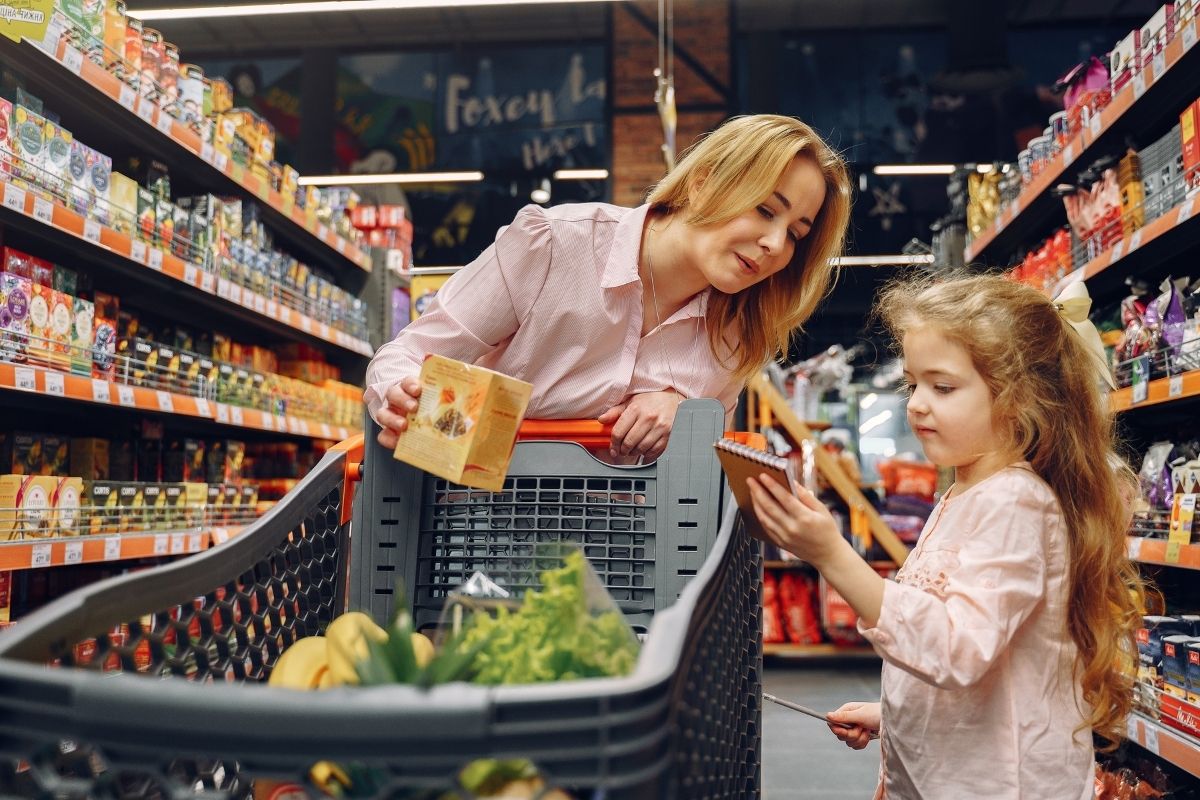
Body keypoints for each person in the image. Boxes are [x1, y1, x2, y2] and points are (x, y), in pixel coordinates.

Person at [747, 274, 1142, 799]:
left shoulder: (1016, 504)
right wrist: (895, 715)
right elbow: (978, 660)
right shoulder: (965, 493)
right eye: (912, 384)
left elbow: (956, 648)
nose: (915, 403)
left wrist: (831, 554)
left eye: (943, 387)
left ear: (1018, 399)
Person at [365, 114, 852, 461]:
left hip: (626, 563)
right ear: (703, 183)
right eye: (766, 209)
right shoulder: (555, 246)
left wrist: (686, 416)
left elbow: (699, 481)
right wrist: (406, 401)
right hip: (472, 535)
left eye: (795, 234)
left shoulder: (738, 332)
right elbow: (405, 357)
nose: (774, 243)